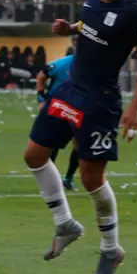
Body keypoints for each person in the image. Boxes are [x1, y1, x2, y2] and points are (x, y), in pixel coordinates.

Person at [23, 0, 137, 274]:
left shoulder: (136, 14)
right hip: (70, 90)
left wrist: (135, 107)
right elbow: (89, 25)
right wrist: (71, 27)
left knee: (91, 178)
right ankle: (65, 224)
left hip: (100, 102)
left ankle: (111, 249)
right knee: (34, 155)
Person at [35, 54, 80, 190]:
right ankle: (50, 180)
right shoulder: (63, 63)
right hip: (57, 106)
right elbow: (41, 76)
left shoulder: (92, 65)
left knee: (79, 144)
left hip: (79, 107)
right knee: (52, 144)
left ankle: (68, 178)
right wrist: (41, 99)